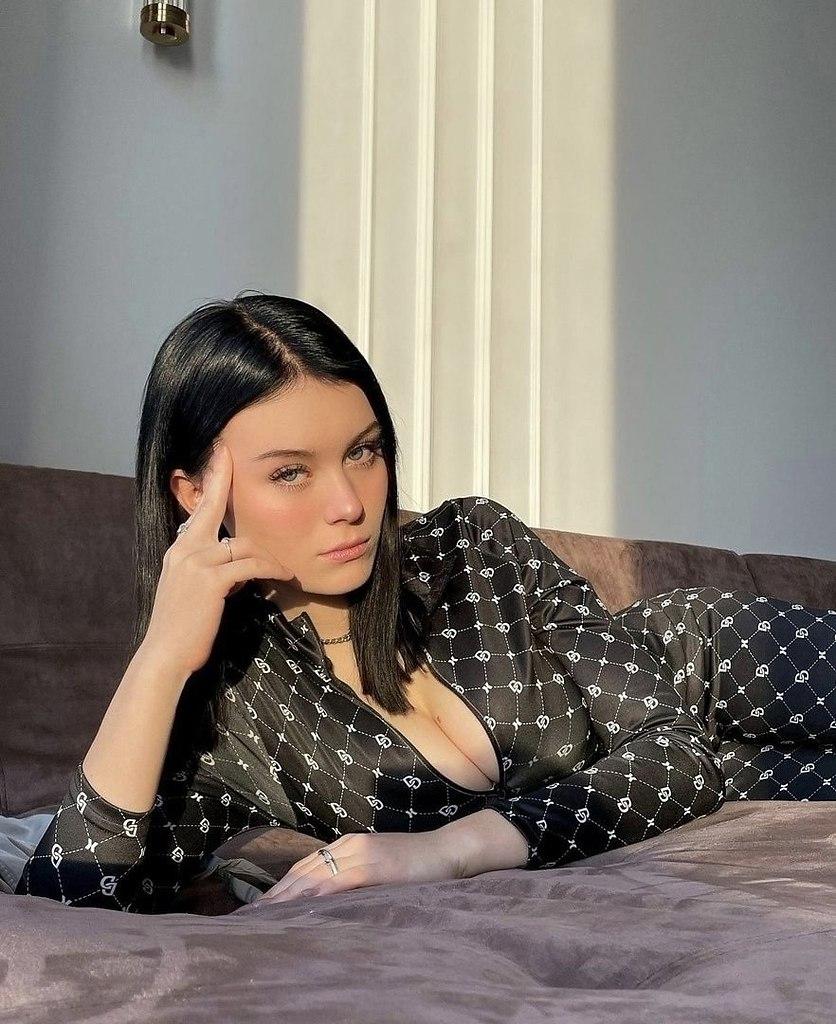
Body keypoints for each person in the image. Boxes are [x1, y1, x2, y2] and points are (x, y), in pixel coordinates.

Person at [15, 294, 836, 914]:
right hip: (732, 780)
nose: (350, 503)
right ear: (197, 494)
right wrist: (162, 660)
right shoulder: (237, 721)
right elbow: (67, 901)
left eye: (363, 451)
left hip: (713, 663)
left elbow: (673, 754)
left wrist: (448, 850)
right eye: (291, 472)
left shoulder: (473, 547)